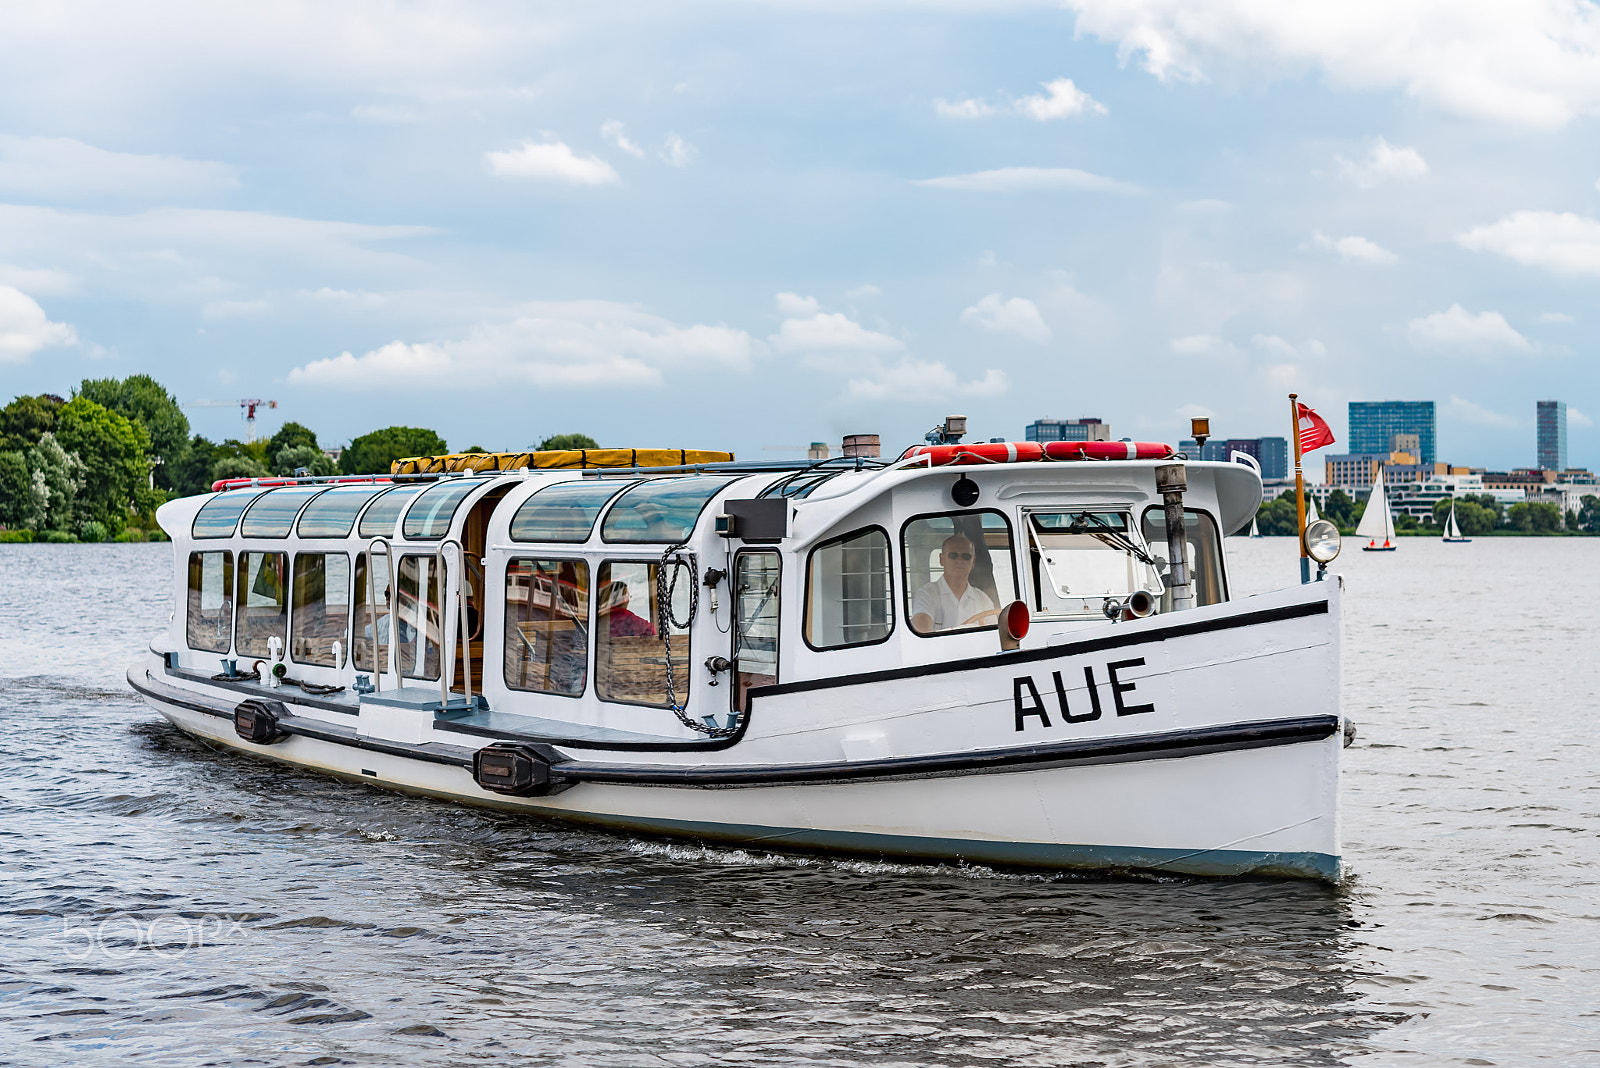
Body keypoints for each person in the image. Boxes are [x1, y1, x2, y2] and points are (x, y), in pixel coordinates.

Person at [911, 534, 996, 633]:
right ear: (941, 559)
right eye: (953, 555)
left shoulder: (983, 600)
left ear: (973, 562)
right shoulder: (927, 593)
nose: (959, 560)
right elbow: (922, 631)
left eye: (966, 556)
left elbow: (994, 635)